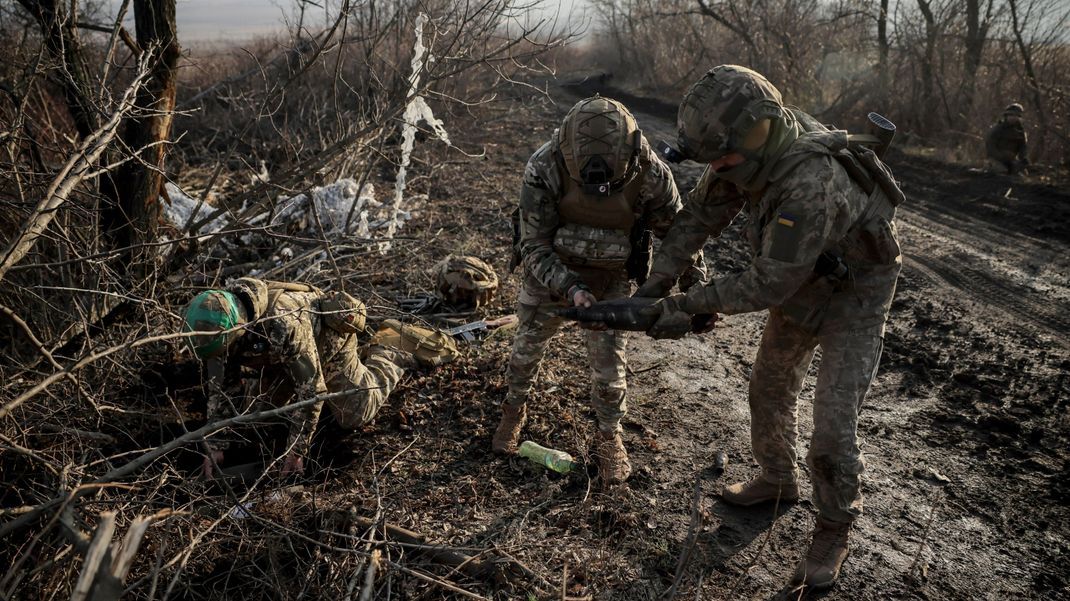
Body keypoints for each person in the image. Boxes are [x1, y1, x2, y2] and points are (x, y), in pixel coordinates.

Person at [635, 65, 904, 588]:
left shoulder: (810, 181)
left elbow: (766, 285)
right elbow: (698, 218)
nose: (719, 167)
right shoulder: (743, 150)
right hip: (804, 275)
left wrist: (682, 305)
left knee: (832, 423)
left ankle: (833, 526)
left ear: (757, 133)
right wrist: (654, 285)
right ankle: (777, 481)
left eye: (723, 158)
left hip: (856, 294)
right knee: (769, 389)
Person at [493, 95, 705, 486]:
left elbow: (678, 237)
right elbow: (533, 244)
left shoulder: (650, 173)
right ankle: (513, 411)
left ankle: (610, 438)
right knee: (524, 353)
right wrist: (570, 287)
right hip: (550, 273)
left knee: (609, 372)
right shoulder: (545, 165)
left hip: (612, 277)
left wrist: (699, 289)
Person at [182, 277, 411, 478]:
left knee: (356, 413)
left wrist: (297, 450)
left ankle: (389, 350)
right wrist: (215, 445)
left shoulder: (283, 323)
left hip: (326, 344)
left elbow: (313, 392)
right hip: (279, 358)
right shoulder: (213, 324)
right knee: (256, 419)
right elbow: (221, 388)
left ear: (238, 331)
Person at [985, 103, 1029, 175]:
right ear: (1006, 116)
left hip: (1011, 159)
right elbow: (990, 147)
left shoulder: (1020, 131)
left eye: (1016, 115)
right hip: (996, 159)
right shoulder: (997, 129)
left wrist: (1023, 158)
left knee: (1022, 174)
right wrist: (1001, 157)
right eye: (1011, 115)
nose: (1013, 117)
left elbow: (1023, 147)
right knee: (1001, 172)